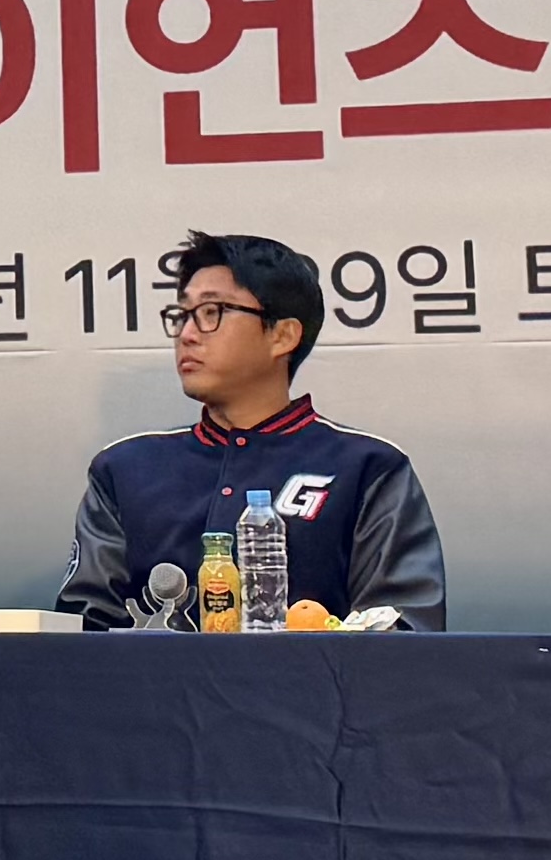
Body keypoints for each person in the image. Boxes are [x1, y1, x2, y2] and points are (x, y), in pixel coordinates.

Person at [58, 230, 447, 628]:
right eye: (183, 315)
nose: (187, 334)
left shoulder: (368, 468)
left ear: (283, 335)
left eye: (212, 312)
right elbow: (79, 632)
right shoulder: (125, 469)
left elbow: (402, 632)